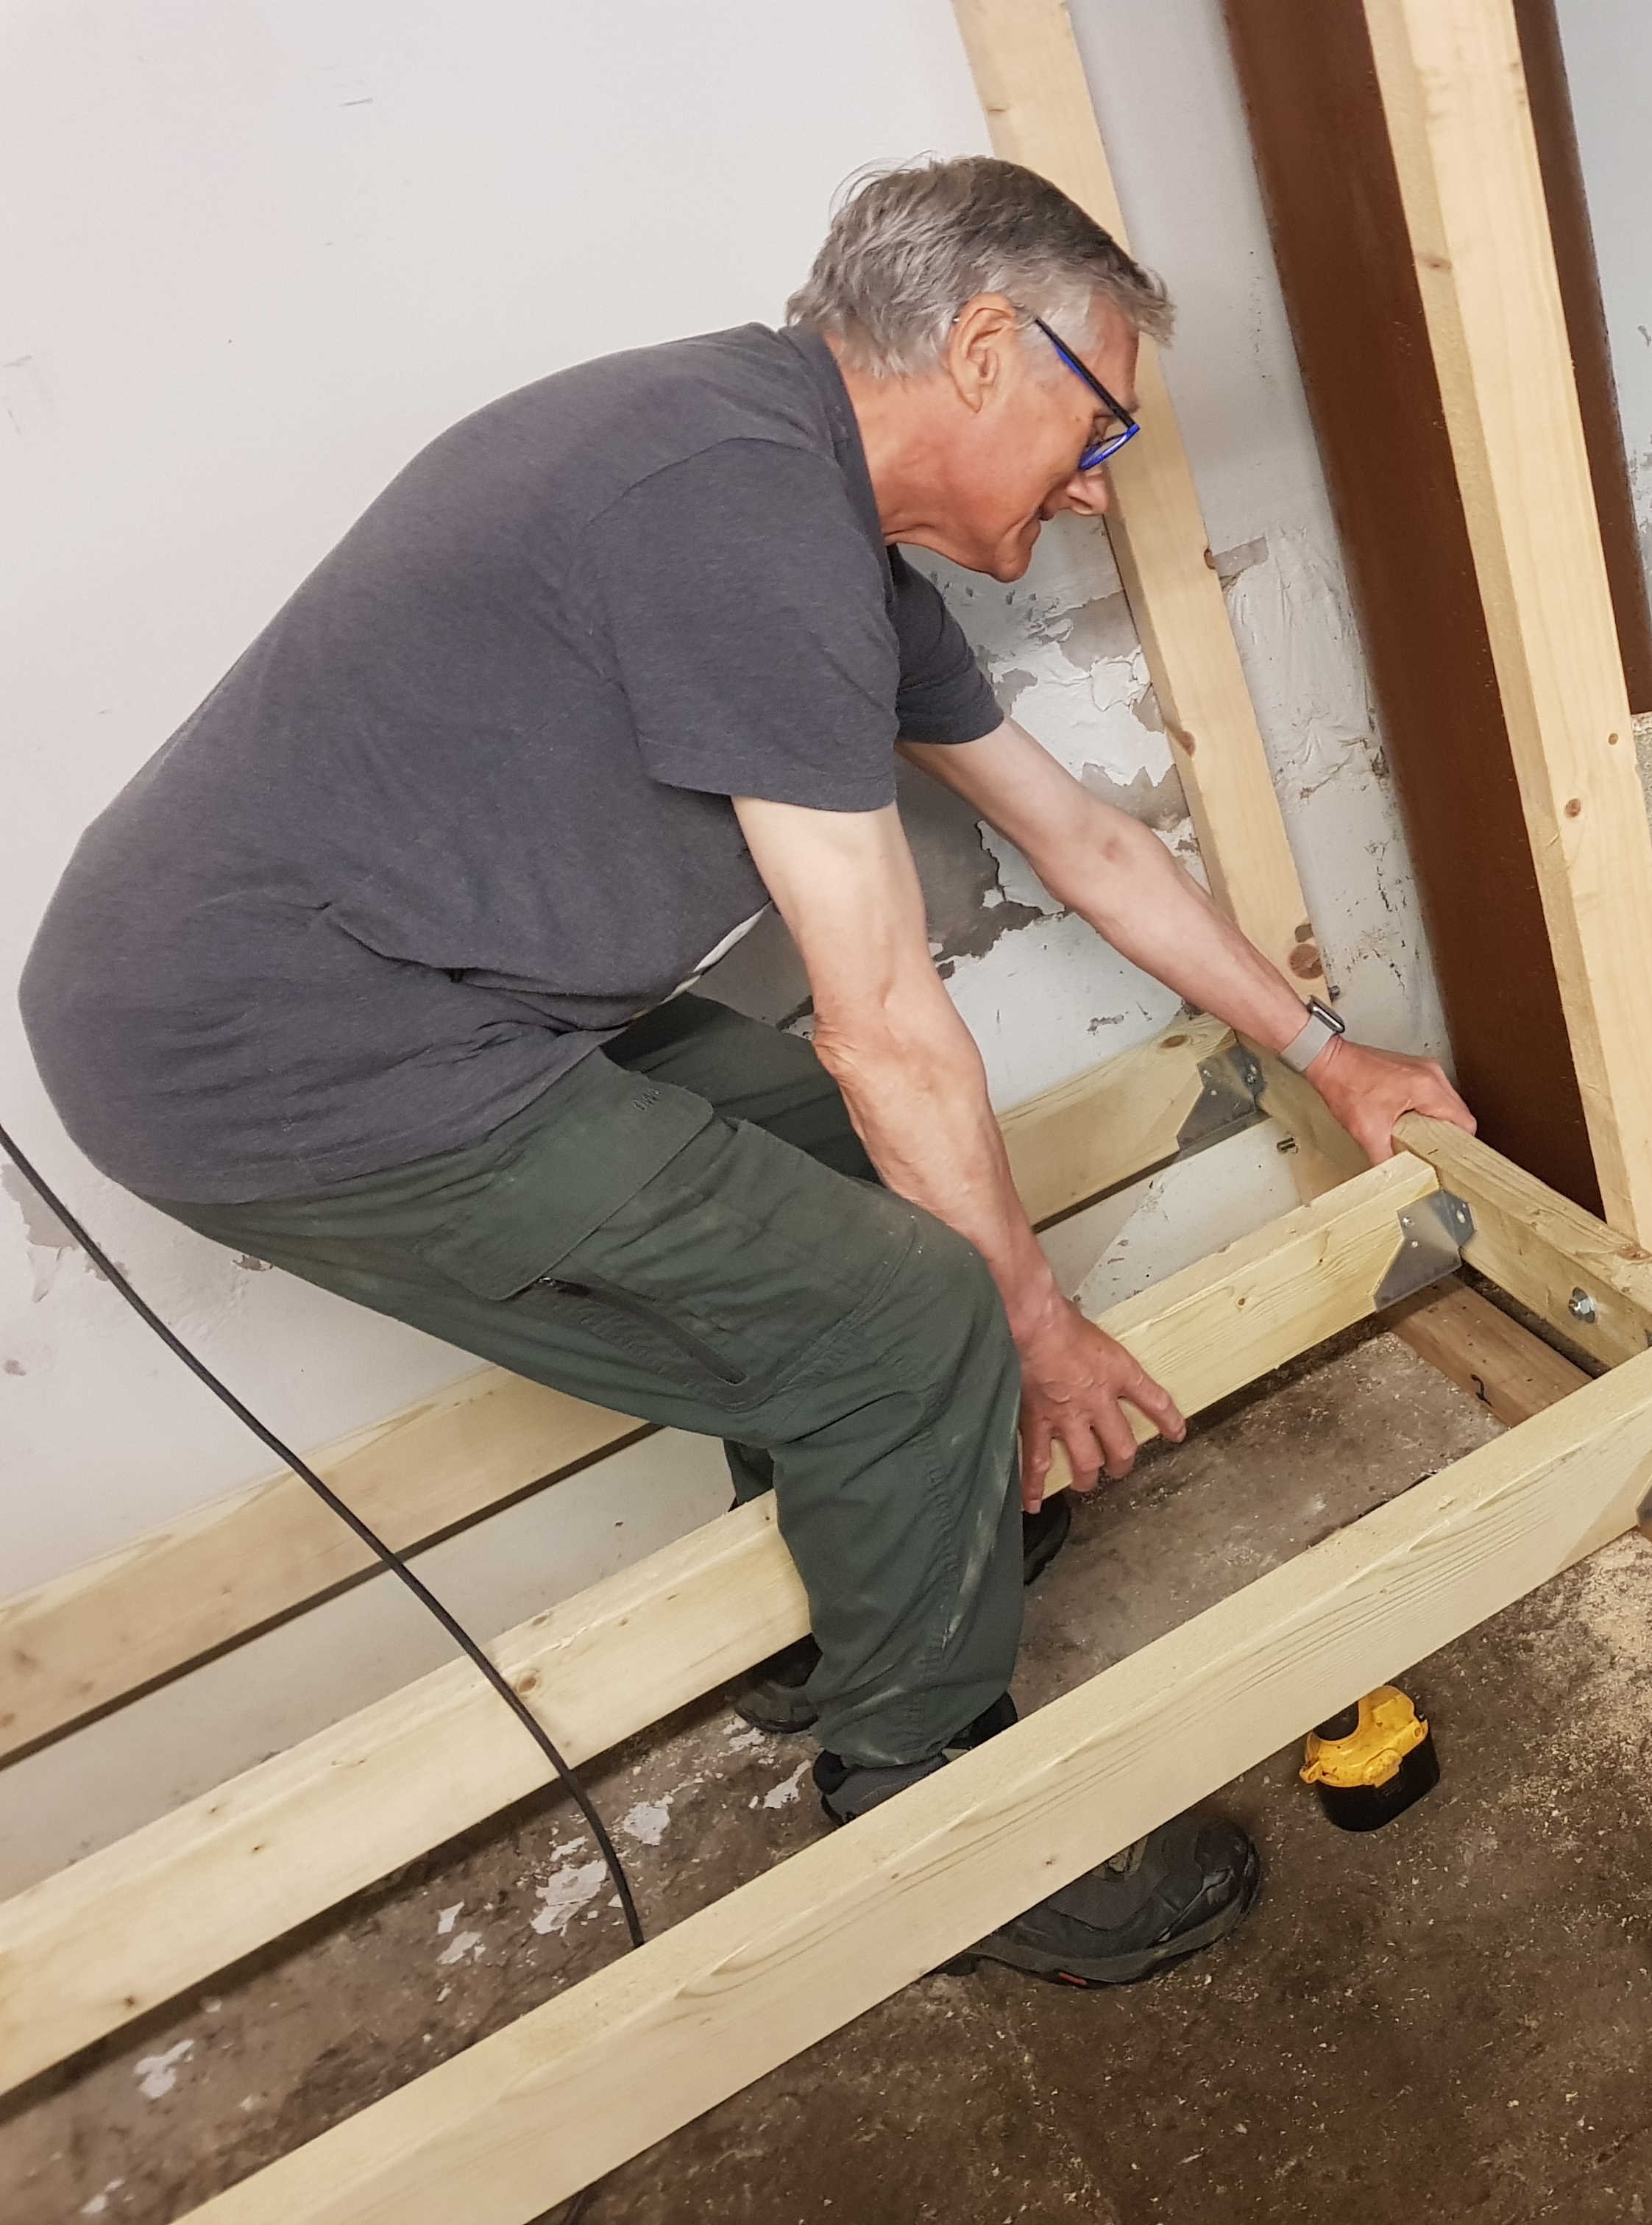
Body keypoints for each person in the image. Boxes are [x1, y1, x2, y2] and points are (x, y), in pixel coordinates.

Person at [18, 156, 1474, 1987]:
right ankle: (924, 1803)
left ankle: (844, 1592)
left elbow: (1084, 844)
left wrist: (1334, 1058)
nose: (1102, 491)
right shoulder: (740, 519)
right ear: (981, 349)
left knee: (824, 1177)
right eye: (1097, 431)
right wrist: (1019, 1320)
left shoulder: (808, 526)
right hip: (282, 1050)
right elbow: (877, 1015)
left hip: (416, 989)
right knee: (904, 1312)